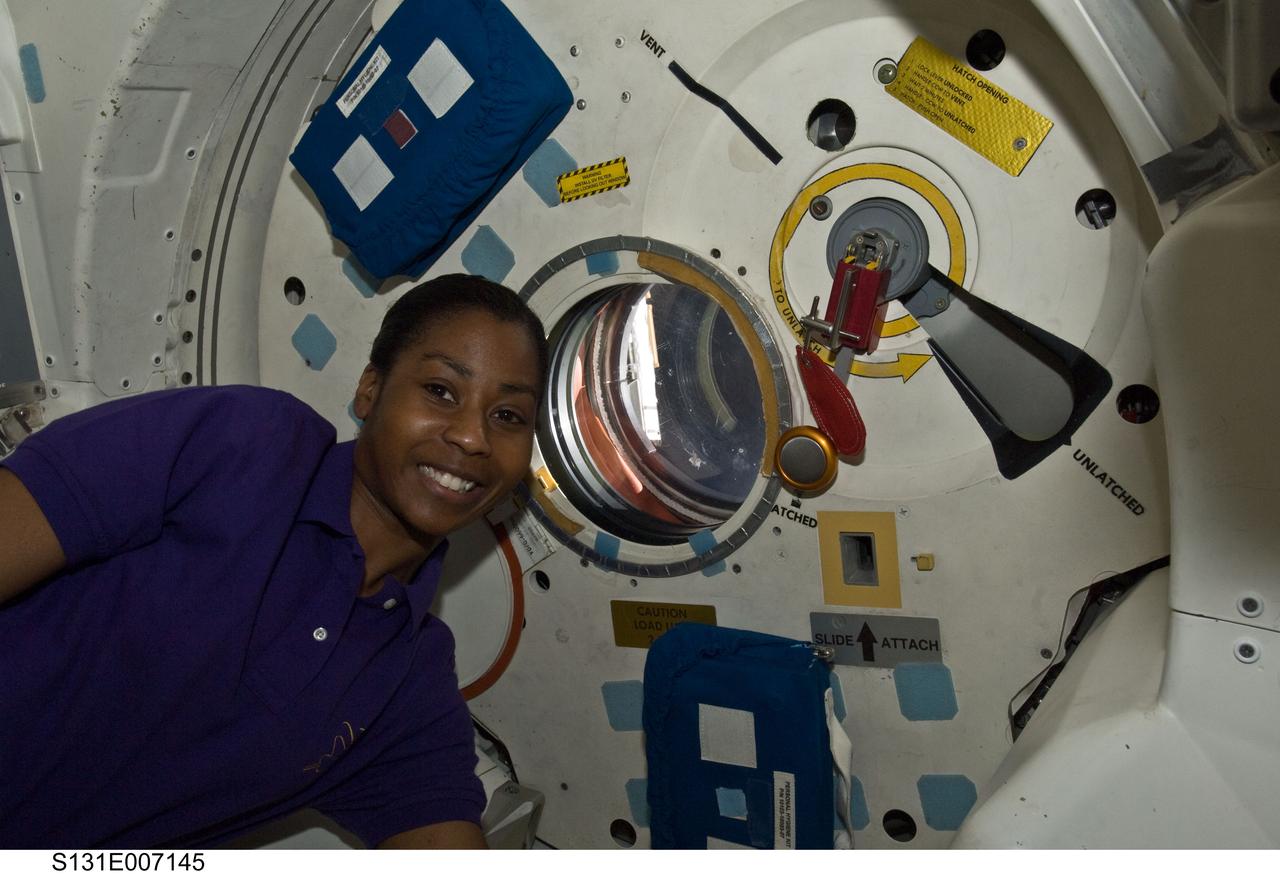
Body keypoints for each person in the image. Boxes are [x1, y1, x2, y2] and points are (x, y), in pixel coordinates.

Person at [0, 274, 548, 849]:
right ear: (370, 390)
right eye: (440, 390)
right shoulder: (243, 443)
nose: (472, 437)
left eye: (508, 416)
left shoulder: (410, 684)